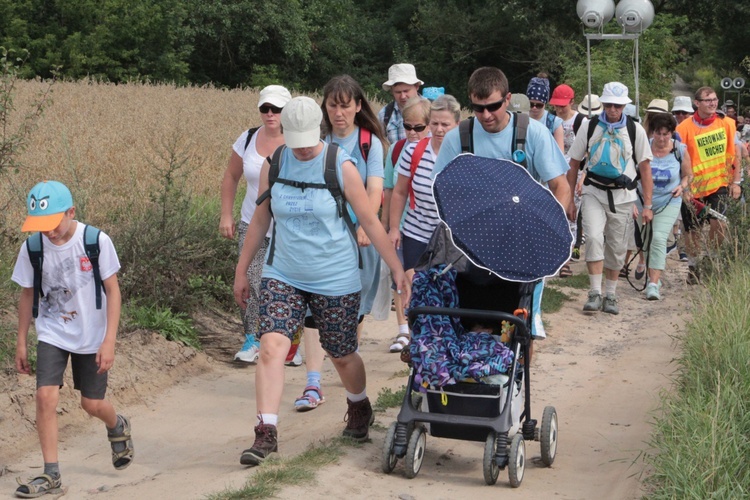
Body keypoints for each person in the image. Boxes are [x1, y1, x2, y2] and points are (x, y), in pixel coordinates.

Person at [233, 96, 410, 465]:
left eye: (307, 141)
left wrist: (395, 267)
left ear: (319, 132)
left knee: (342, 354)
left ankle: (359, 405)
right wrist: (242, 268)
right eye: (294, 141)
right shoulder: (275, 164)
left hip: (334, 275)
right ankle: (265, 433)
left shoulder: (339, 166)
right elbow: (261, 220)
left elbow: (370, 221)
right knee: (271, 347)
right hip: (283, 271)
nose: (300, 149)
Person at [12, 181, 131, 497]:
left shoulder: (95, 241)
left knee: (91, 404)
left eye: (53, 224)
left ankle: (116, 424)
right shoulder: (33, 247)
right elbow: (26, 293)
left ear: (71, 212)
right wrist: (22, 340)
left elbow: (113, 291)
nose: (47, 233)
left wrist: (109, 341)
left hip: (92, 334)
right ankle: (51, 475)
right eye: (40, 226)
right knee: (45, 397)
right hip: (52, 331)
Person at [295, 75, 386, 411]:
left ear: (358, 106)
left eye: (345, 105)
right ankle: (312, 382)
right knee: (312, 312)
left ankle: (347, 369)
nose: (338, 112)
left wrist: (367, 224)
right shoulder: (315, 140)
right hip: (319, 241)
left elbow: (375, 189)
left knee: (350, 314)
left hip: (360, 243)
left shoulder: (369, 144)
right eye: (332, 105)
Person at [220, 85, 294, 364]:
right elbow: (231, 177)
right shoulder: (248, 138)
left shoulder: (299, 141)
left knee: (286, 283)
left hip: (289, 227)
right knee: (250, 277)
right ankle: (252, 337)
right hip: (252, 222)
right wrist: (226, 215)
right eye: (265, 108)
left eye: (276, 109)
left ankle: (289, 341)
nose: (270, 114)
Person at [568, 82, 653, 315]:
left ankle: (611, 295)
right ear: (603, 104)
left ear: (624, 105)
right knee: (594, 237)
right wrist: (568, 200)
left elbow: (645, 168)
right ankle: (595, 293)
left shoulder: (636, 130)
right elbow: (574, 162)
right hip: (593, 190)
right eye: (608, 105)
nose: (612, 109)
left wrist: (647, 205)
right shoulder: (590, 126)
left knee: (616, 246)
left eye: (617, 105)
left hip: (623, 195)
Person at [389, 94, 461, 274]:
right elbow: (399, 192)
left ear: (457, 125)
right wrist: (394, 228)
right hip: (416, 235)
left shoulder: (463, 157)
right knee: (414, 290)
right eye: (434, 123)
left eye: (445, 124)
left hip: (451, 240)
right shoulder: (414, 151)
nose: (439, 129)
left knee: (446, 294)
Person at [381, 96, 432, 354]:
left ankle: (424, 333)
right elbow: (390, 190)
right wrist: (389, 226)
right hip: (400, 225)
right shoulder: (397, 149)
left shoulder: (434, 151)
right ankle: (405, 330)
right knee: (401, 280)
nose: (412, 133)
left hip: (422, 227)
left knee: (422, 283)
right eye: (408, 127)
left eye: (418, 127)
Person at [676, 86, 741, 283]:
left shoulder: (728, 124)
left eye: (714, 99)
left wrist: (736, 181)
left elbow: (736, 154)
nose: (712, 103)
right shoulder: (683, 128)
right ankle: (694, 266)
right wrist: (684, 187)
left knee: (720, 224)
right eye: (707, 100)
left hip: (718, 185)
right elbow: (678, 159)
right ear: (697, 103)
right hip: (693, 188)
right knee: (692, 231)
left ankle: (710, 261)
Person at [640, 113, 693, 299]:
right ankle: (653, 275)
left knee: (659, 238)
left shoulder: (679, 149)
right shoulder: (642, 147)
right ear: (652, 132)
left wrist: (682, 186)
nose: (662, 138)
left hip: (669, 201)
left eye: (666, 134)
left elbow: (688, 174)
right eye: (658, 133)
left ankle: (653, 284)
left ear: (672, 133)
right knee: (645, 242)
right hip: (643, 201)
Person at [550, 83, 586, 276]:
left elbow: (588, 152)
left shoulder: (581, 121)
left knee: (570, 215)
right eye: (556, 104)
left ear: (572, 102)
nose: (559, 108)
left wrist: (583, 177)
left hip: (574, 173)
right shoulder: (550, 120)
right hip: (552, 174)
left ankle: (565, 259)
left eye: (563, 105)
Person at [378, 63, 423, 144]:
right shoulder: (384, 115)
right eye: (398, 92)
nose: (402, 96)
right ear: (391, 91)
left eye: (406, 91)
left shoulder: (432, 109)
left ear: (416, 86)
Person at [527, 74, 565, 152]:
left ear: (545, 104)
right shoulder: (520, 119)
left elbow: (560, 153)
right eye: (531, 104)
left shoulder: (554, 122)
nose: (534, 108)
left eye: (539, 105)